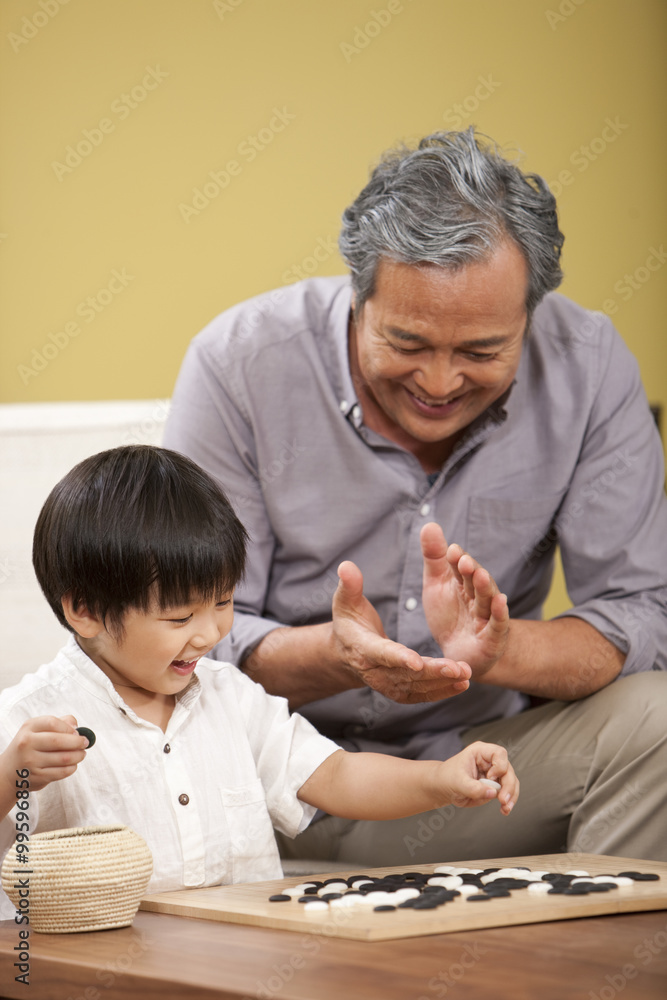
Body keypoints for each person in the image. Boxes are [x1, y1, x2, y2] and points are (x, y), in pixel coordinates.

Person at [163, 128, 667, 866]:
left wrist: (498, 652)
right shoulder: (238, 364)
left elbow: (638, 614)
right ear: (358, 294)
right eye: (406, 343)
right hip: (267, 775)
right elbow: (179, 633)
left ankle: (588, 971)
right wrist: (340, 656)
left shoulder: (587, 369)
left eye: (480, 352)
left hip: (477, 771)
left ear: (530, 314)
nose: (438, 384)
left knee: (656, 718)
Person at [0, 445, 519, 919]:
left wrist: (440, 780)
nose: (210, 634)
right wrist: (10, 777)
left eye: (223, 603)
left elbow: (336, 776)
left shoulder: (230, 695)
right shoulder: (29, 722)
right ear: (86, 611)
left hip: (248, 968)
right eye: (180, 618)